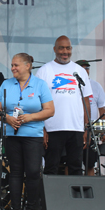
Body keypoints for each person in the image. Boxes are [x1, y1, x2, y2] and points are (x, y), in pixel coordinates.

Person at [0, 53, 54, 210]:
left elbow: (50, 110)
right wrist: (6, 118)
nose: (12, 68)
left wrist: (30, 117)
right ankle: (15, 208)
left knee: (33, 171)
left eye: (16, 65)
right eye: (12, 65)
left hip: (33, 135)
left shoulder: (40, 84)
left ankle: (33, 207)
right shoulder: (6, 84)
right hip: (12, 135)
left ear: (28, 66)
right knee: (16, 171)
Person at [35, 36, 92, 176]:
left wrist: (86, 128)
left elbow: (85, 101)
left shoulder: (80, 71)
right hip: (52, 128)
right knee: (51, 167)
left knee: (76, 168)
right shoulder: (44, 71)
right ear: (54, 49)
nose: (64, 51)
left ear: (71, 49)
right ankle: (50, 198)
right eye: (61, 48)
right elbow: (37, 102)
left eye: (68, 48)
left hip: (76, 128)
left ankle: (76, 198)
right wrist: (42, 128)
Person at [76, 59, 105, 176]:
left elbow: (103, 109)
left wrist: (104, 132)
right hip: (74, 129)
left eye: (87, 68)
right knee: (71, 163)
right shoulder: (70, 84)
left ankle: (90, 191)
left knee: (90, 164)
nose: (85, 70)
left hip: (91, 131)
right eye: (82, 68)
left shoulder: (96, 86)